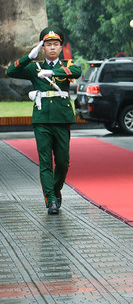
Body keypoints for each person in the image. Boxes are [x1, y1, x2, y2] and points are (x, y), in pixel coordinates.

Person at [6, 26, 82, 215]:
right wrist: (29, 56)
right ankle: (51, 199)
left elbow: (77, 71)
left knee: (63, 162)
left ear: (61, 47)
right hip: (42, 120)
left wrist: (52, 74)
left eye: (56, 44)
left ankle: (55, 190)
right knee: (46, 162)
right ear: (43, 47)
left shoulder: (68, 64)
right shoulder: (34, 67)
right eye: (48, 44)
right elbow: (11, 71)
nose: (52, 48)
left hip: (61, 118)